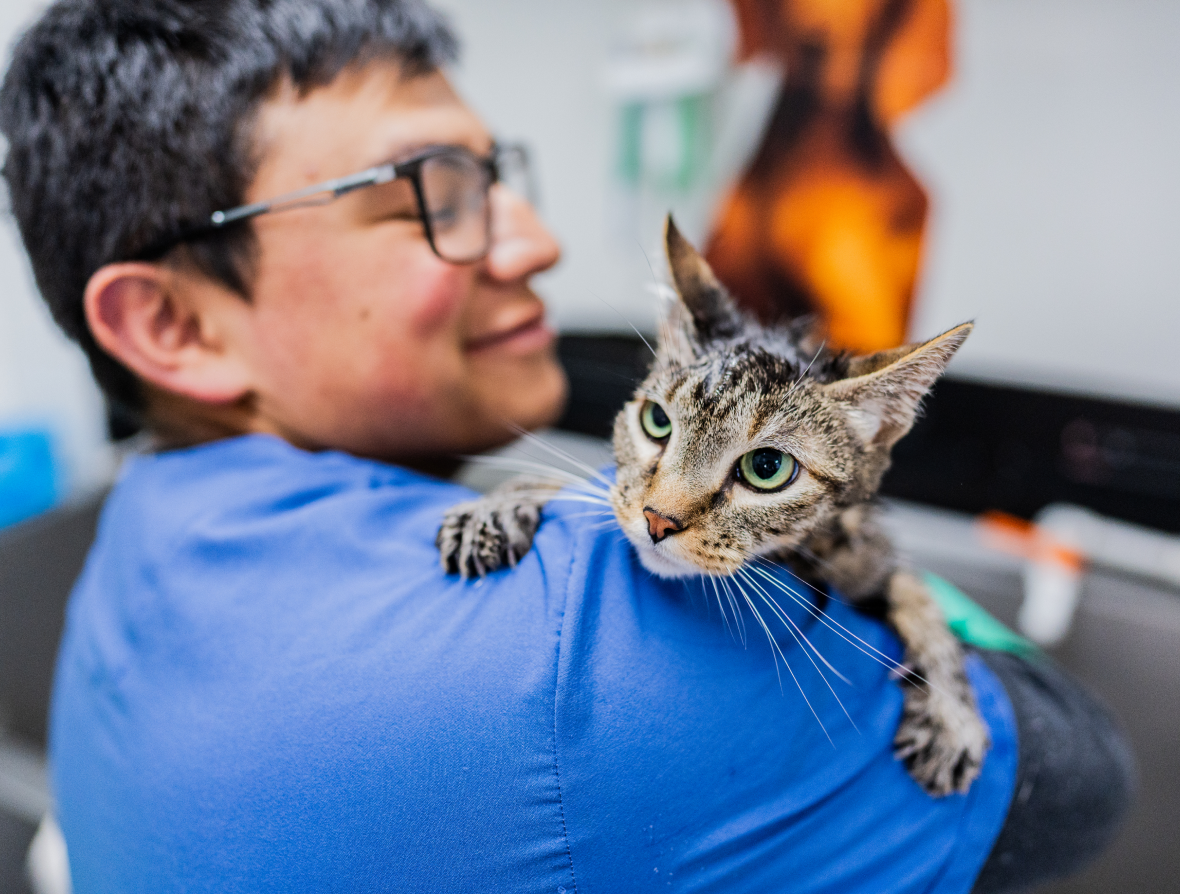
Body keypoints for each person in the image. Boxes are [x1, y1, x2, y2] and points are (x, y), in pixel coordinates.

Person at [0, 1, 1133, 891]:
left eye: (497, 175)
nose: (536, 240)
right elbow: (1085, 775)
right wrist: (881, 574)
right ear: (173, 323)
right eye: (427, 194)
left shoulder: (139, 532)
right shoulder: (603, 655)